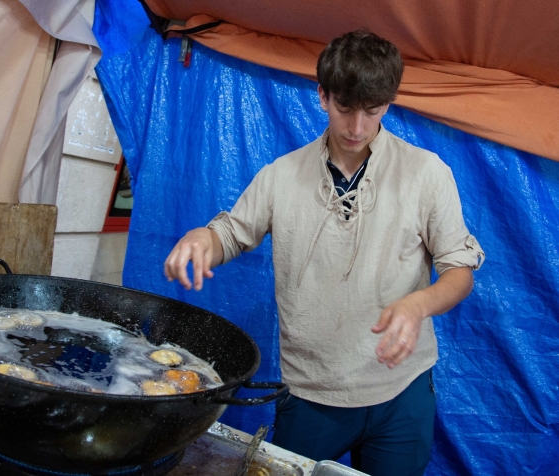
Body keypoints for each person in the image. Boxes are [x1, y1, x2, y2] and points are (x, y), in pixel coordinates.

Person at [163, 30, 484, 476]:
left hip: (402, 391)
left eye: (372, 111)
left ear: (387, 104)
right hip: (312, 392)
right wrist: (204, 238)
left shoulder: (427, 173)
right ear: (322, 96)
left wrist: (419, 304)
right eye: (344, 108)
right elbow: (231, 233)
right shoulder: (281, 176)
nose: (356, 127)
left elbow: (460, 269)